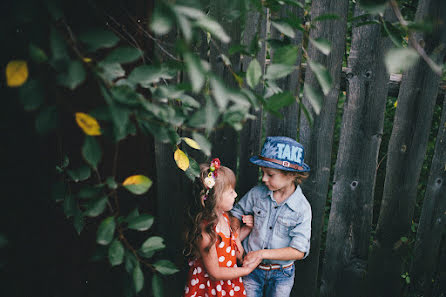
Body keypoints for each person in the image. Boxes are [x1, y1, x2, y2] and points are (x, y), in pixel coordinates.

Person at [230, 136, 312, 297]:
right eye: (263, 173)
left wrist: (261, 253)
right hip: (251, 271)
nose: (264, 178)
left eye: (270, 174)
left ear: (291, 175)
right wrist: (236, 236)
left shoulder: (302, 208)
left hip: (281, 275)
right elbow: (235, 213)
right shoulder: (257, 194)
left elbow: (298, 251)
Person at [183, 158, 262, 297]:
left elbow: (228, 244)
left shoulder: (224, 217)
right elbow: (215, 273)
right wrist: (246, 270)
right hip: (210, 288)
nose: (236, 195)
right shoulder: (205, 231)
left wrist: (247, 229)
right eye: (231, 192)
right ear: (215, 197)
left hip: (227, 283)